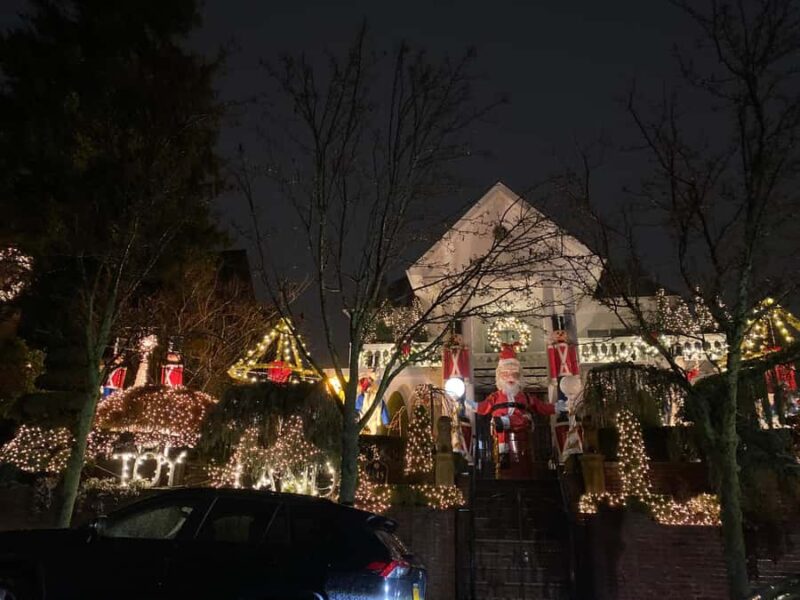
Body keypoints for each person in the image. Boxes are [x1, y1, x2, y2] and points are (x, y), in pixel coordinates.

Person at [466, 343, 566, 468]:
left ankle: (506, 437)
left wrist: (555, 407)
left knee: (516, 419)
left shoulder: (525, 397)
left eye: (515, 374)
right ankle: (503, 453)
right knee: (499, 422)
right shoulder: (495, 397)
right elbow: (484, 406)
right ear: (500, 376)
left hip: (520, 422)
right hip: (499, 423)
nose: (511, 377)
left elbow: (540, 406)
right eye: (506, 374)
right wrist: (474, 406)